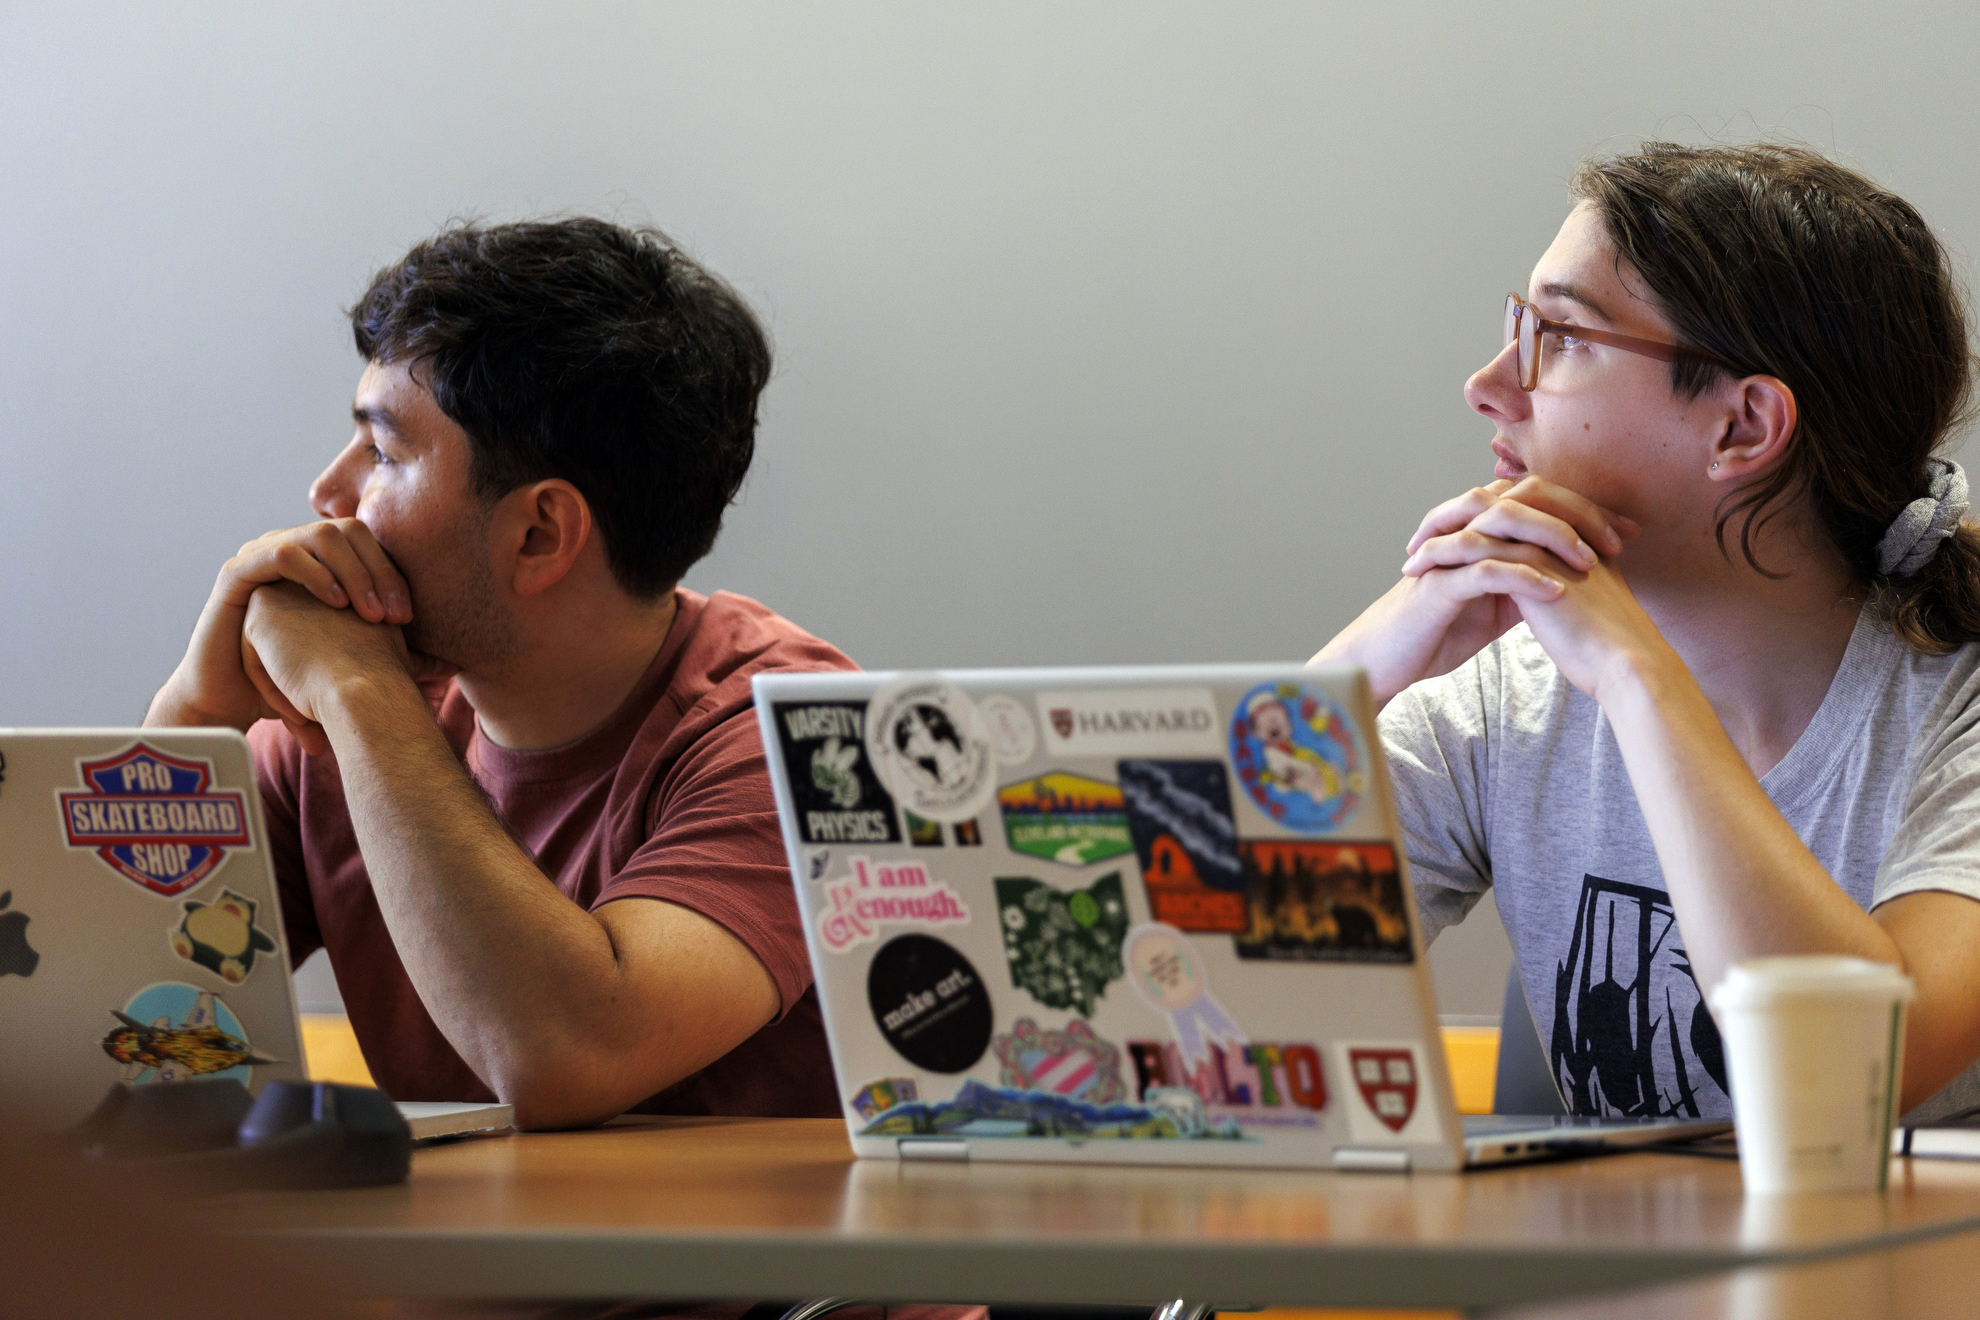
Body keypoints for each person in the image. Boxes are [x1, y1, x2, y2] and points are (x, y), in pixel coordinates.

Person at [1316, 142, 1980, 1122]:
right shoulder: (1507, 691)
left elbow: (1849, 1079)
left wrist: (1639, 677)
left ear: (1744, 427)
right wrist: (1360, 674)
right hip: (1612, 1280)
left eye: (1562, 336)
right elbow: (1169, 964)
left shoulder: (1953, 707)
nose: (1491, 383)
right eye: (1518, 326)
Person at [143, 218, 854, 1133]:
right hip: (465, 1273)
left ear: (539, 535)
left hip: (778, 1284)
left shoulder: (801, 743)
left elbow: (563, 1056)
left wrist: (363, 696)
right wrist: (196, 713)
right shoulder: (326, 739)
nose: (328, 492)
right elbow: (117, 1033)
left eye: (385, 452)